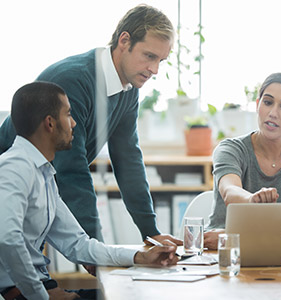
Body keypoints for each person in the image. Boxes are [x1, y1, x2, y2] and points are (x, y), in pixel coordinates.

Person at [0, 4, 181, 245]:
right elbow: (71, 168)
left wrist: (151, 233)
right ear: (124, 41)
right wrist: (93, 245)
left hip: (39, 190)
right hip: (10, 188)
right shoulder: (74, 80)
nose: (155, 70)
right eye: (149, 56)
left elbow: (128, 160)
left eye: (161, 60)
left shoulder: (128, 89)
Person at [0, 82, 179, 300]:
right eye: (68, 114)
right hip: (24, 292)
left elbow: (78, 244)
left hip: (40, 287)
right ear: (50, 123)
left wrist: (141, 256)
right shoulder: (14, 168)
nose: (74, 123)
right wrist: (41, 297)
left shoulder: (42, 172)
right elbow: (7, 237)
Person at [204, 72, 281, 249]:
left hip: (278, 250)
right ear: (257, 104)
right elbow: (230, 191)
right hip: (223, 249)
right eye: (267, 103)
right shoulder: (230, 149)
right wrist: (252, 201)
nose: (273, 113)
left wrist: (240, 237)